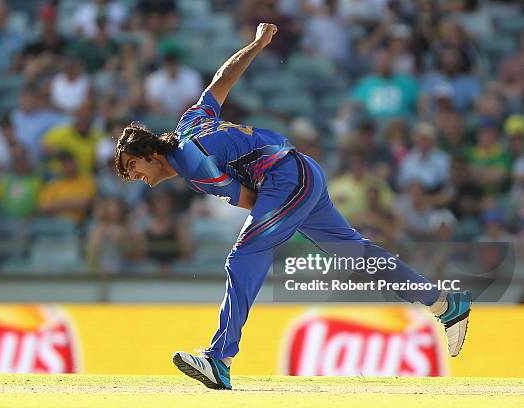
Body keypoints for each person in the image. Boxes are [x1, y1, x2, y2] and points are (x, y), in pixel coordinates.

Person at [114, 23, 471, 390]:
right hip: (300, 172)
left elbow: (252, 202)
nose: (134, 176)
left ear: (151, 153)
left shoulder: (194, 166)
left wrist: (280, 220)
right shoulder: (188, 123)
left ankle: (219, 358)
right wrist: (257, 44)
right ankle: (445, 304)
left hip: (286, 182)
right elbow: (223, 78)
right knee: (356, 252)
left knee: (244, 255)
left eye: (133, 167)